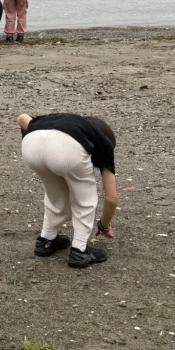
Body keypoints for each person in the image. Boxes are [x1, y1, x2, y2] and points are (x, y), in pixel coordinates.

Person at [17, 112, 118, 268]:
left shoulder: (62, 122)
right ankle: (80, 250)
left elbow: (22, 118)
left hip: (32, 145)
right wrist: (104, 225)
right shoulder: (103, 143)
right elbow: (111, 198)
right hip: (67, 150)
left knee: (55, 194)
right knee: (84, 200)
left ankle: (46, 241)